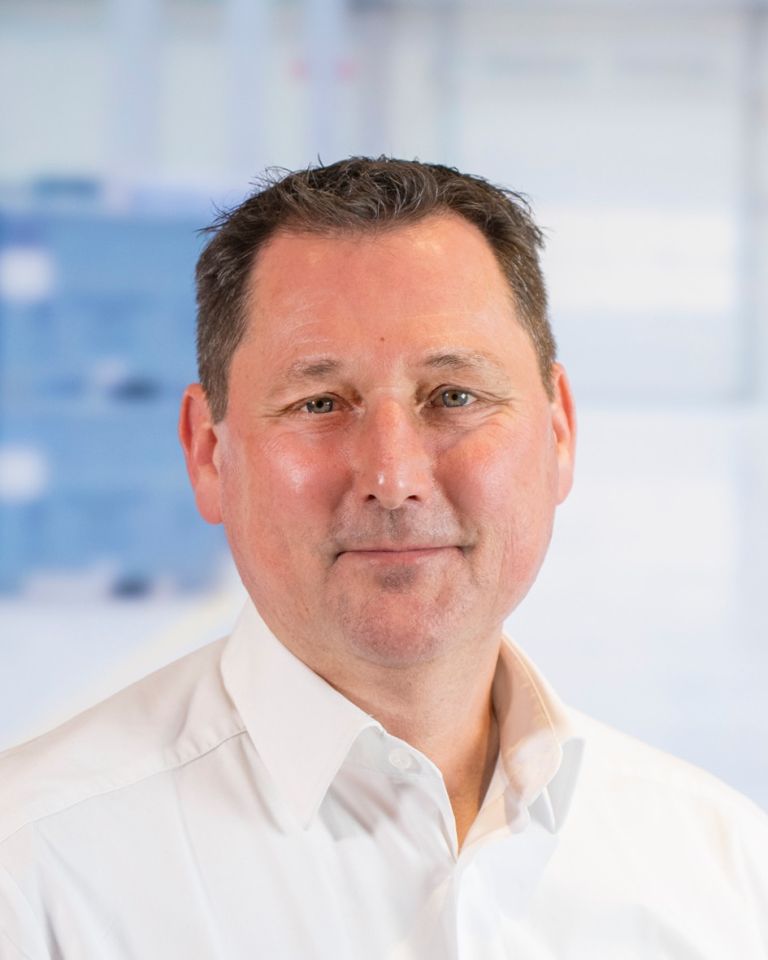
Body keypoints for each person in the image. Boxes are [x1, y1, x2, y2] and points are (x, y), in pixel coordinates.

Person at [1, 157, 766, 959]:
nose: (394, 478)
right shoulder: (32, 877)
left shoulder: (724, 876)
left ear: (559, 431)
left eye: (455, 396)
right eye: (319, 403)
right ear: (207, 453)